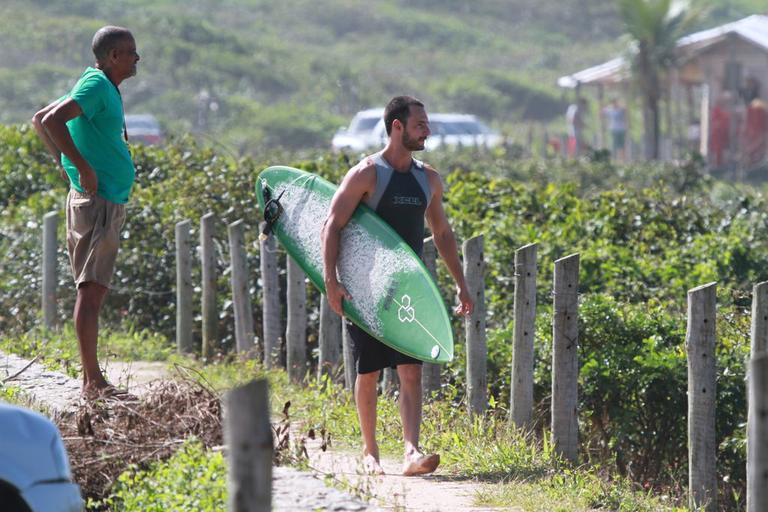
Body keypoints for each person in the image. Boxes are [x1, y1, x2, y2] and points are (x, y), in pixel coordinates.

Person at [321, 96, 473, 476]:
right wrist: (332, 282)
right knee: (369, 370)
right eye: (420, 124)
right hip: (366, 287)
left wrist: (461, 285)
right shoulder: (367, 174)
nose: (428, 131)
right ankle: (370, 452)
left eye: (427, 124)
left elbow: (441, 233)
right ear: (397, 127)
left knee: (411, 369)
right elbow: (332, 226)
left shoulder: (428, 179)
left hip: (408, 289)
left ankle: (410, 451)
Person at [31, 26, 140, 399]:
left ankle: (93, 379)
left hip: (104, 200)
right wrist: (80, 166)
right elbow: (50, 121)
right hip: (99, 203)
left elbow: (39, 117)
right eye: (130, 52)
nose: (136, 58)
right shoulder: (95, 86)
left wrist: (66, 164)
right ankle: (92, 382)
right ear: (113, 56)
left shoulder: (97, 84)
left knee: (93, 288)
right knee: (91, 290)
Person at [602, 98, 627, 162]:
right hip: (614, 130)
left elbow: (625, 109)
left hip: (621, 129)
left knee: (621, 145)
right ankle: (614, 159)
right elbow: (602, 112)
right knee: (615, 144)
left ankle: (622, 159)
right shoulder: (610, 110)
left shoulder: (621, 109)